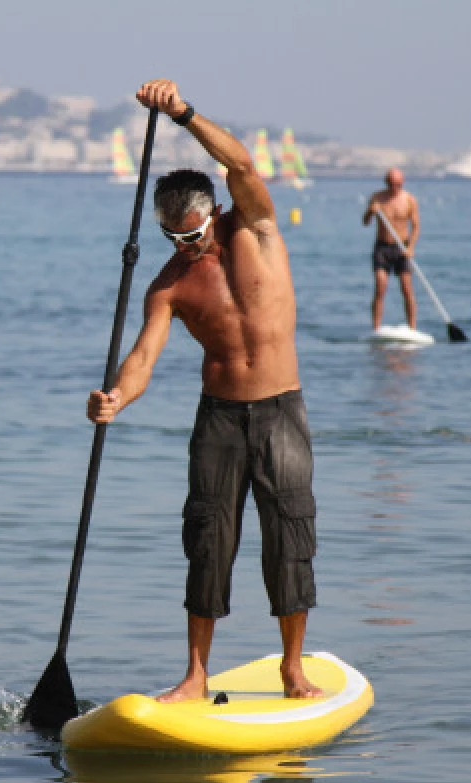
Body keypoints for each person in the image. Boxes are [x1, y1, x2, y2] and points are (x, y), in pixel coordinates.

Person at [87, 79, 323, 702]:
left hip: (280, 412)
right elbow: (143, 356)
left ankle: (292, 670)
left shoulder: (257, 228)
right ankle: (196, 676)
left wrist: (183, 113)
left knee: (288, 538)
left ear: (212, 212)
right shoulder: (169, 285)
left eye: (192, 234)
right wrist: (117, 397)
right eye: (172, 238)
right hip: (217, 420)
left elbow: (241, 162)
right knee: (207, 541)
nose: (184, 247)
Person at [362, 169, 421, 330]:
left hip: (402, 247)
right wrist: (370, 212)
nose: (394, 187)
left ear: (402, 183)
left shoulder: (409, 200)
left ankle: (412, 328)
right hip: (382, 247)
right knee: (380, 286)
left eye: (398, 184)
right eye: (391, 184)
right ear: (386, 182)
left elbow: (415, 227)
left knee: (406, 287)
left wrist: (411, 247)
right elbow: (365, 222)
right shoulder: (377, 198)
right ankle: (376, 328)